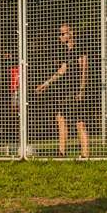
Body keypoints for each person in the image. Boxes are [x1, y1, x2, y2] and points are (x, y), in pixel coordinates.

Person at [34, 24, 90, 159]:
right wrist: (46, 83)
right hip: (66, 89)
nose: (60, 36)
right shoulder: (66, 50)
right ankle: (62, 152)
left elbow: (84, 69)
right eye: (59, 33)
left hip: (76, 89)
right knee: (60, 117)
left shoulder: (79, 48)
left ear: (71, 33)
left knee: (79, 122)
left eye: (63, 33)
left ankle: (85, 154)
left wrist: (82, 90)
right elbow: (62, 69)